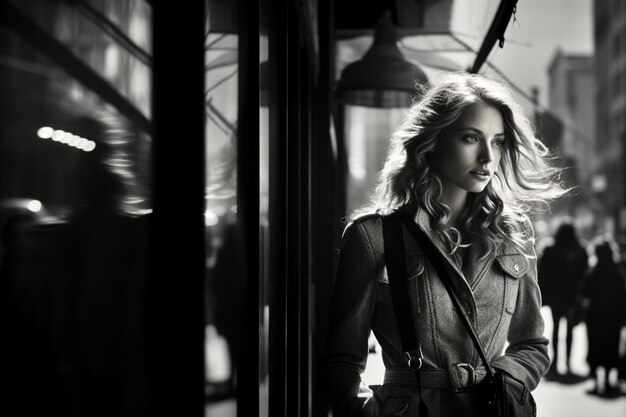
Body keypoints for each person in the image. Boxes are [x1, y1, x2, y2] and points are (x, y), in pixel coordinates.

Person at [320, 71, 566, 417]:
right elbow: (340, 362)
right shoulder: (374, 237)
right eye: (471, 137)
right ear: (431, 140)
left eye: (496, 141)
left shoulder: (514, 233)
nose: (487, 157)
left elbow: (533, 346)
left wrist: (504, 382)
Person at [537, 222, 588, 375]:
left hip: (556, 296)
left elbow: (543, 273)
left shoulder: (550, 249)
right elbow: (584, 274)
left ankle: (555, 363)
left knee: (556, 327)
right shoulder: (580, 250)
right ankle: (567, 362)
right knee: (570, 329)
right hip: (572, 296)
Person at [580, 238, 626, 397]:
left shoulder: (592, 272)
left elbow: (585, 292)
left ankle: (595, 378)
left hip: (595, 315)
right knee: (611, 346)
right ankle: (607, 379)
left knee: (595, 345)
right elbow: (623, 295)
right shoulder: (617, 273)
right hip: (613, 315)